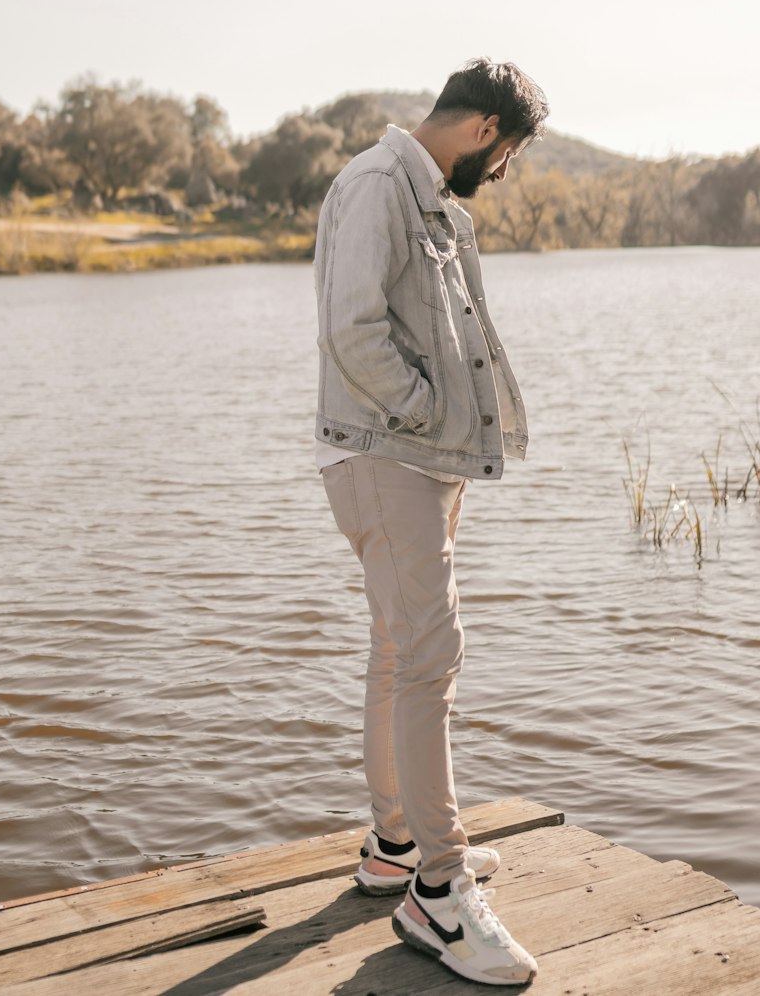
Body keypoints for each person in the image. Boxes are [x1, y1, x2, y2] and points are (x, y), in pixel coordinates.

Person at [314, 57, 549, 987]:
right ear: (488, 130)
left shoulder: (424, 193)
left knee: (397, 652)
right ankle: (441, 895)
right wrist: (425, 414)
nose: (502, 177)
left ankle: (395, 846)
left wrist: (445, 431)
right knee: (432, 657)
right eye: (510, 156)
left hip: (415, 460)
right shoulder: (379, 184)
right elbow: (351, 327)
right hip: (389, 459)